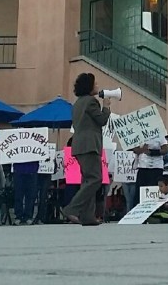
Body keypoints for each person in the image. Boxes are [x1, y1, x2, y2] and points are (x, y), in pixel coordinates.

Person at [63, 73, 111, 226]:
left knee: (87, 180)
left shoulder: (78, 103)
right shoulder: (91, 101)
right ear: (89, 86)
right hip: (90, 145)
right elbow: (102, 120)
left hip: (79, 145)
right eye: (95, 84)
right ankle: (72, 208)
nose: (97, 86)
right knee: (96, 179)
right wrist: (107, 107)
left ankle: (87, 216)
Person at [13, 159, 40, 225]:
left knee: (30, 195)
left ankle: (28, 216)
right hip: (19, 170)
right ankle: (18, 216)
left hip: (32, 169)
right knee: (18, 195)